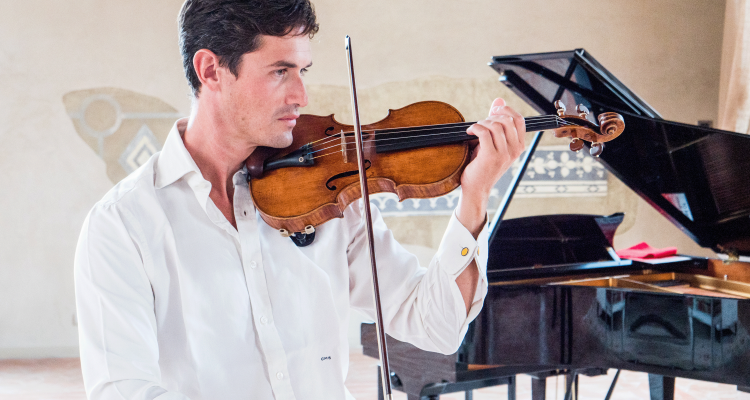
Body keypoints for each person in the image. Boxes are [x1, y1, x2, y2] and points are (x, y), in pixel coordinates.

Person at [73, 0, 526, 399]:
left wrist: (475, 195)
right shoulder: (122, 224)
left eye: (302, 70)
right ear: (210, 70)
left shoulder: (332, 194)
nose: (301, 95)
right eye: (279, 72)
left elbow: (437, 325)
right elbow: (123, 389)